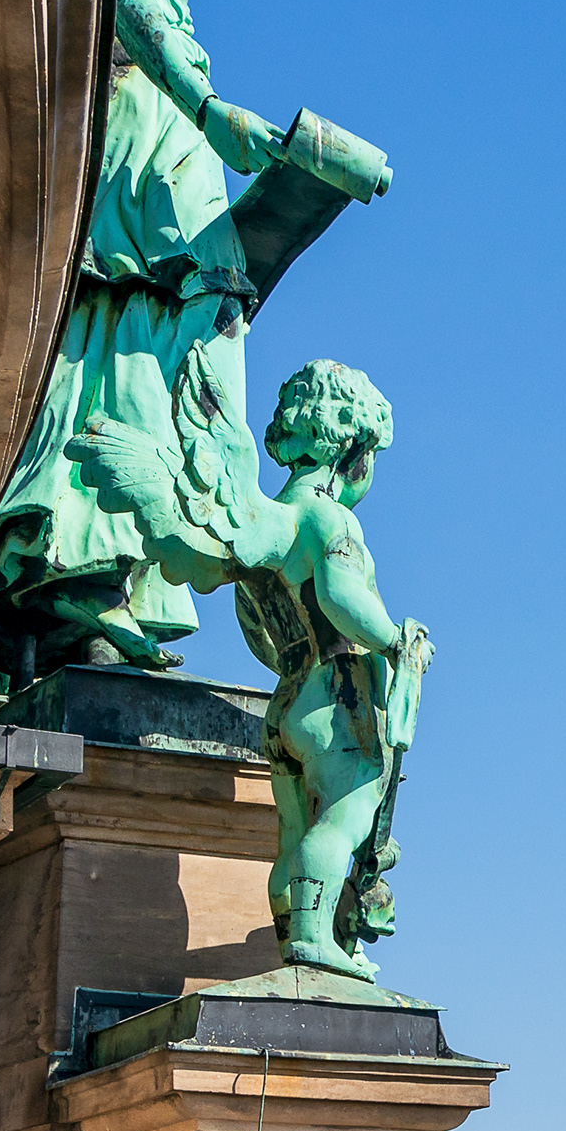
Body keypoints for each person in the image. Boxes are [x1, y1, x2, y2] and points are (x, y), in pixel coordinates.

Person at [0, 0, 365, 680]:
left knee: (123, 355)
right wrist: (218, 118)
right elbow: (136, 10)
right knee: (132, 358)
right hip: (141, 158)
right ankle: (79, 573)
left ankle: (76, 576)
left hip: (136, 162)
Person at [68, 359, 430, 978]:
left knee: (292, 832)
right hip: (335, 696)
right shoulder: (328, 518)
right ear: (351, 446)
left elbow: (257, 630)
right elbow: (343, 599)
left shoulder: (269, 522)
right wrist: (395, 638)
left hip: (286, 702)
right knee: (344, 818)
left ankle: (295, 932)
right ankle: (315, 940)